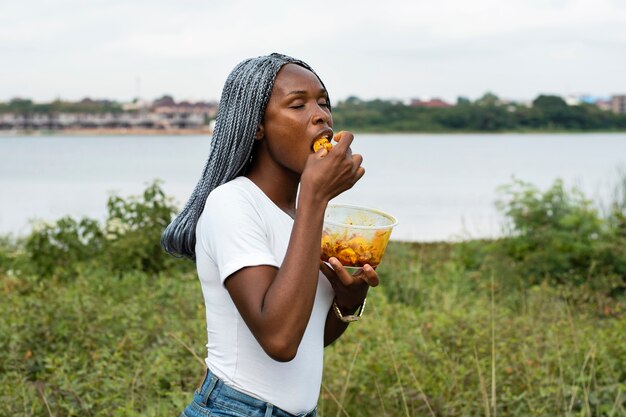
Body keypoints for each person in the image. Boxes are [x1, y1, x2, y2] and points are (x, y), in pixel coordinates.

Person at [162, 53, 379, 417]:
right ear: (257, 125)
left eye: (323, 103)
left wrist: (346, 302)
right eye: (298, 104)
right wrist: (315, 196)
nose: (321, 115)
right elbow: (279, 340)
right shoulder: (232, 203)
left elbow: (306, 339)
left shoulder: (301, 216)